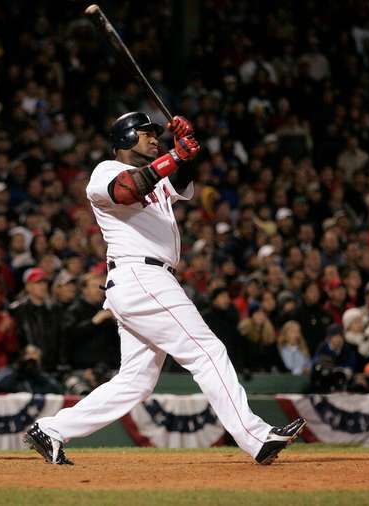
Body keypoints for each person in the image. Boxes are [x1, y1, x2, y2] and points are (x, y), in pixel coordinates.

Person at [25, 112, 305, 466]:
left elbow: (180, 180)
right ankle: (256, 436)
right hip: (141, 275)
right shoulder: (106, 171)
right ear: (126, 138)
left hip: (141, 281)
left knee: (135, 381)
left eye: (157, 135)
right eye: (147, 134)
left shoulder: (156, 176)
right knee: (207, 352)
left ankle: (50, 429)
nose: (154, 139)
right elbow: (126, 190)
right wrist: (174, 155)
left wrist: (184, 150)